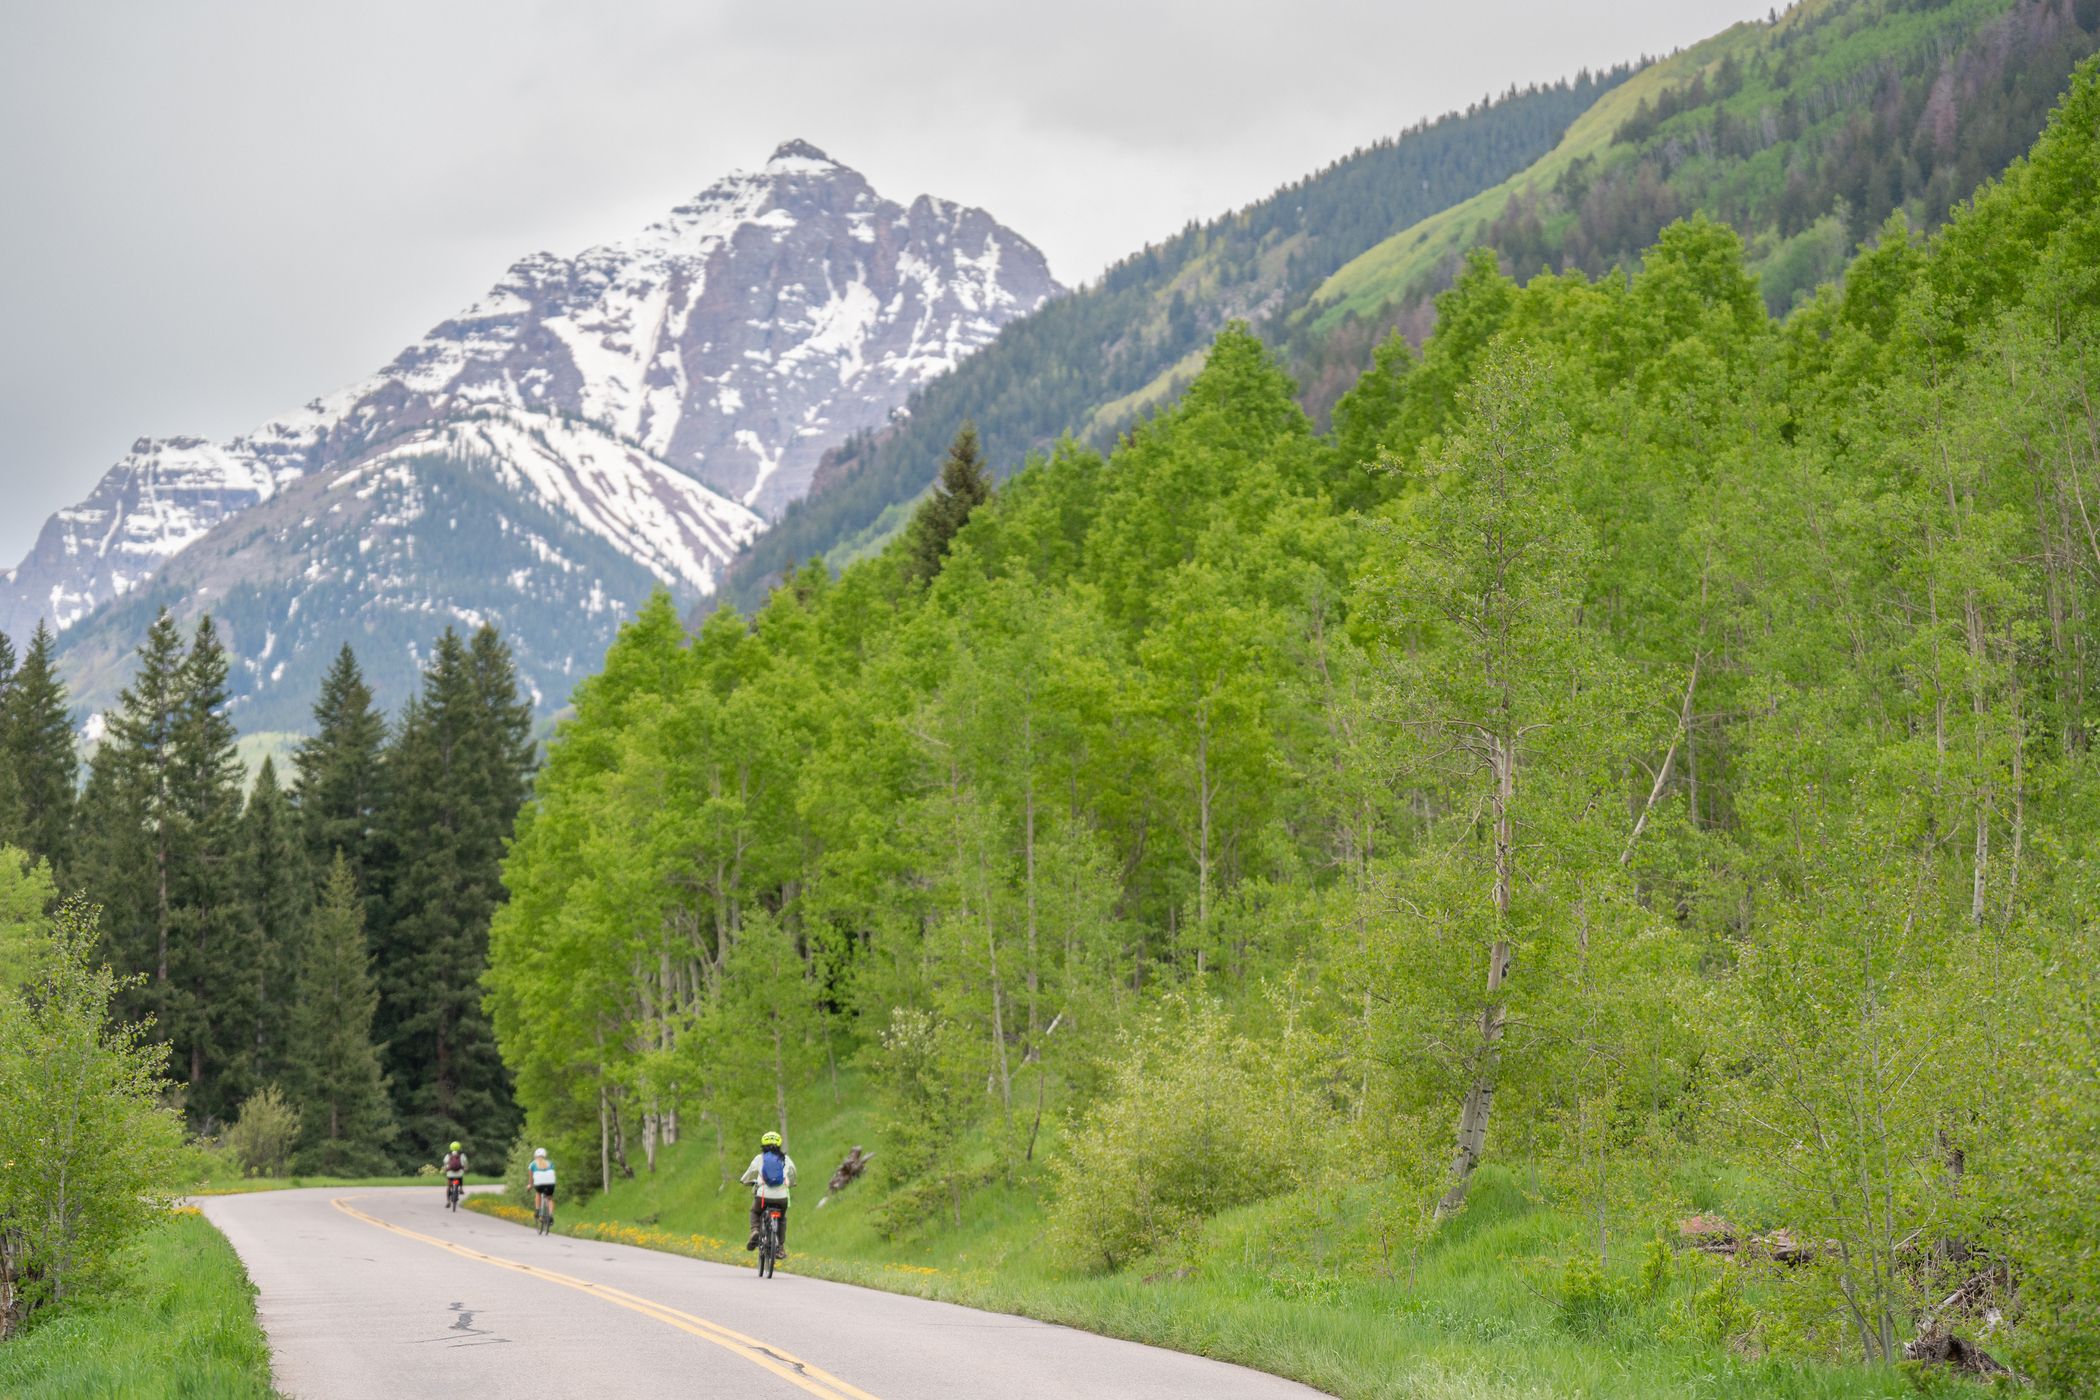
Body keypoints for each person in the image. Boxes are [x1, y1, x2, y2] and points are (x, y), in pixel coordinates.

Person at [740, 1131, 796, 1257]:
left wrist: (743, 1181)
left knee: (755, 1211)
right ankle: (780, 1247)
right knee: (781, 1219)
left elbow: (749, 1172)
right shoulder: (785, 1159)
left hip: (763, 1196)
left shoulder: (759, 1158)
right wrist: (792, 1183)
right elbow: (792, 1172)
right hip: (782, 1197)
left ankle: (755, 1230)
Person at [529, 1147, 557, 1226]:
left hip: (539, 1184)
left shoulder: (533, 1164)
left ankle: (537, 1210)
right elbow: (553, 1174)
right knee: (550, 1198)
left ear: (535, 1156)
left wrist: (530, 1186)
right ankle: (550, 1215)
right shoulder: (550, 1163)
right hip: (551, 1183)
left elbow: (531, 1178)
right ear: (545, 1156)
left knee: (538, 1193)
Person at [442, 1141, 468, 1205]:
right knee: (460, 1177)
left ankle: (448, 1201)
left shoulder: (448, 1155)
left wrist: (445, 1169)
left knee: (448, 1186)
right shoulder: (462, 1155)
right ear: (459, 1147)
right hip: (459, 1174)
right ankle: (461, 1188)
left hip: (450, 1174)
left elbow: (445, 1163)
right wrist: (465, 1168)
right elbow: (465, 1163)